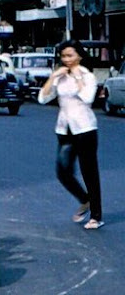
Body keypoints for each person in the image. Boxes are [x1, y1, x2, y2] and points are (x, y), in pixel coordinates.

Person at [38, 39, 103, 230]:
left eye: (70, 55)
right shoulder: (60, 77)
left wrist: (77, 76)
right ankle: (84, 199)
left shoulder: (88, 76)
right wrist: (53, 76)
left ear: (79, 56)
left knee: (89, 172)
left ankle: (96, 216)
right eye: (63, 56)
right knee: (63, 171)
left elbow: (88, 98)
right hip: (65, 129)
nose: (66, 59)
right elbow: (43, 98)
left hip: (85, 129)